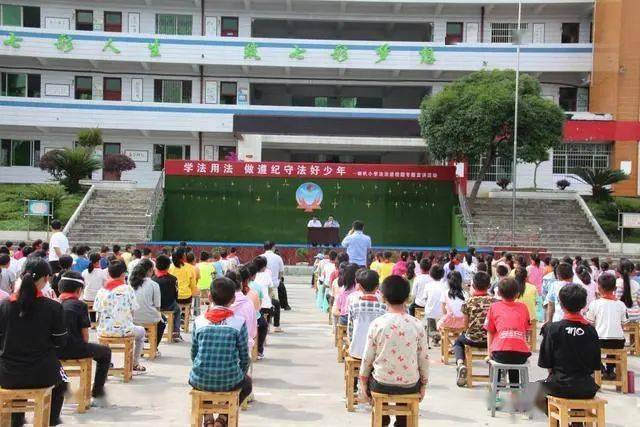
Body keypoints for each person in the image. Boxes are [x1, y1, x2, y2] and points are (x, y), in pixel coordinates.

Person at [0, 258, 67, 426]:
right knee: (62, 382)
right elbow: (60, 341)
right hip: (42, 373)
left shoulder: (4, 306)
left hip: (7, 374)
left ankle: (17, 421)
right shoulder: (53, 307)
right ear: (46, 279)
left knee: (17, 385)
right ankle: (51, 421)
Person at [359, 275, 428, 427]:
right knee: (406, 382)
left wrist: (363, 381)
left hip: (381, 383)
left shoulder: (377, 324)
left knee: (375, 374)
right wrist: (424, 384)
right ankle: (402, 422)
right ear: (407, 298)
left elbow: (367, 357)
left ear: (383, 297)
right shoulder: (417, 324)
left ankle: (382, 420)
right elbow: (423, 358)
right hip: (410, 383)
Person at [189, 277, 252, 427]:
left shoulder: (199, 321)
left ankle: (208, 416)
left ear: (209, 297)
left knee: (203, 380)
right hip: (230, 379)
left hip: (200, 379)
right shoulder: (239, 322)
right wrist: (240, 373)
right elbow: (244, 356)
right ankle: (223, 417)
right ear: (233, 299)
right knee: (247, 384)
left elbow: (194, 353)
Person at [537, 284, 601, 408]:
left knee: (533, 391)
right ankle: (578, 418)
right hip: (587, 388)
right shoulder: (591, 330)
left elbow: (547, 364)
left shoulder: (553, 329)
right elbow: (595, 366)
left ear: (560, 304)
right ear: (584, 305)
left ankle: (558, 421)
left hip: (559, 386)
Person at [56, 271, 112, 398]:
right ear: (79, 290)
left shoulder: (53, 303)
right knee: (106, 352)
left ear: (60, 288)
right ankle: (97, 393)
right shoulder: (80, 305)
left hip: (54, 351)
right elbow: (85, 337)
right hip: (75, 348)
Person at [94, 260, 146, 373]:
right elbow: (133, 311)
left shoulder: (101, 291)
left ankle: (108, 363)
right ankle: (135, 363)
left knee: (104, 339)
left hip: (104, 331)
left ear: (108, 274)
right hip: (125, 330)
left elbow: (98, 311)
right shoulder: (128, 289)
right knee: (141, 332)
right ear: (123, 274)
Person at [485, 278, 531, 385]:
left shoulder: (494, 307)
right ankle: (514, 390)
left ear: (499, 293)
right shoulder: (523, 307)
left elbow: (490, 331)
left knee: (502, 353)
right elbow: (526, 330)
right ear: (517, 294)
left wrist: (489, 353)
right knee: (513, 352)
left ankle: (496, 387)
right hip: (521, 355)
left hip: (500, 353)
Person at [453, 271, 494, 387]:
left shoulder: (468, 302)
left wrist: (465, 331)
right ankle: (496, 373)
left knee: (458, 342)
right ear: (489, 286)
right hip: (490, 341)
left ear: (473, 286)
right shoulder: (495, 302)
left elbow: (465, 324)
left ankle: (460, 363)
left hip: (472, 339)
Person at [586, 273, 628, 380]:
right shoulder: (621, 305)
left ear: (599, 288)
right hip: (618, 341)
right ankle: (610, 370)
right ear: (614, 288)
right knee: (613, 343)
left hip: (600, 340)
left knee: (588, 345)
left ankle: (600, 369)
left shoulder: (595, 304)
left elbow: (589, 322)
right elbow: (624, 323)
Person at [347, 269, 386, 359]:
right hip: (377, 355)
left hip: (357, 352)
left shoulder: (354, 306)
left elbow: (350, 331)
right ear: (377, 287)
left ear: (359, 286)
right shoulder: (383, 308)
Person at [130, 259, 166, 351]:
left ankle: (139, 345)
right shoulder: (154, 284)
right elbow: (157, 306)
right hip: (148, 317)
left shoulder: (131, 283)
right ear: (150, 270)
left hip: (131, 317)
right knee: (162, 322)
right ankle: (154, 348)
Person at [227, 268, 258, 351]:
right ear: (241, 284)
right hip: (244, 347)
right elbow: (253, 331)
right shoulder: (248, 303)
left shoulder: (219, 302)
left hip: (222, 350)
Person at [153, 255, 182, 342]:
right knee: (177, 309)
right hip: (169, 305)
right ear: (168, 266)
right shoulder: (173, 279)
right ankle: (175, 332)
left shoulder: (152, 279)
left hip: (155, 307)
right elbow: (175, 294)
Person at [251, 256, 272, 359]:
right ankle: (259, 350)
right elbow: (270, 290)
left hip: (258, 308)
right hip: (260, 308)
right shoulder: (266, 275)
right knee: (263, 324)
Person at [421, 264, 447, 343]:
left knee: (429, 324)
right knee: (440, 322)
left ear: (431, 274)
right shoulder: (445, 286)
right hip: (443, 313)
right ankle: (438, 334)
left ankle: (434, 335)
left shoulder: (428, 285)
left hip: (430, 312)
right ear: (442, 275)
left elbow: (424, 298)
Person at [263, 242, 284, 332]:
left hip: (265, 286)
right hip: (272, 285)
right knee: (274, 304)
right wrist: (278, 280)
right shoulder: (278, 257)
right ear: (273, 247)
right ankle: (276, 325)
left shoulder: (260, 257)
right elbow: (281, 273)